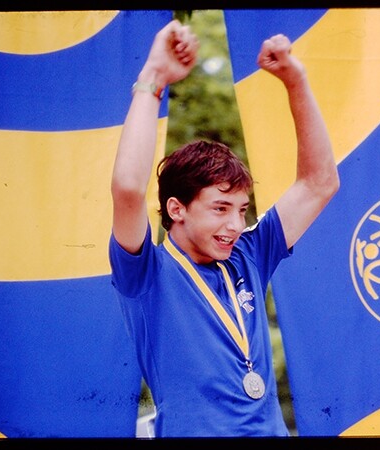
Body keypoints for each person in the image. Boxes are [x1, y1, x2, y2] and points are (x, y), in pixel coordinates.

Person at [108, 19, 339, 437]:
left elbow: (320, 182)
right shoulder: (145, 273)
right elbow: (127, 189)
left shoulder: (249, 253)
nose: (234, 225)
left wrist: (295, 80)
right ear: (177, 209)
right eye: (219, 208)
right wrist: (153, 79)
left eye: (241, 209)